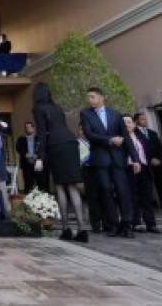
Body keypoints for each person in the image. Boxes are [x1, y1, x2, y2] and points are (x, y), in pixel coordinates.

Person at [32, 83, 86, 241]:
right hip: (70, 142)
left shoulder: (38, 109)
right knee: (73, 185)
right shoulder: (56, 107)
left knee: (61, 187)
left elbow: (42, 133)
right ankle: (82, 230)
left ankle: (66, 229)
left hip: (56, 146)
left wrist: (40, 157)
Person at [80, 86, 136, 238]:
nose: (89, 100)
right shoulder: (85, 114)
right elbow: (90, 134)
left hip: (118, 160)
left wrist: (135, 158)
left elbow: (126, 137)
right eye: (88, 97)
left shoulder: (116, 114)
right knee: (105, 191)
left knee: (123, 191)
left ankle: (127, 224)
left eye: (92, 97)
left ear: (101, 97)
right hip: (100, 159)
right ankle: (112, 224)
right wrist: (110, 139)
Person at [133, 112, 162, 220]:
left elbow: (160, 148)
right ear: (136, 121)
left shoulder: (152, 133)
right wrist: (150, 159)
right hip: (144, 166)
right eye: (142, 119)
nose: (145, 121)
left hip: (157, 166)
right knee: (144, 192)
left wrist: (159, 159)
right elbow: (139, 150)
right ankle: (146, 215)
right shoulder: (134, 134)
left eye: (145, 119)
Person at [124, 116, 159, 234]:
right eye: (124, 123)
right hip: (129, 168)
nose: (127, 125)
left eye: (129, 122)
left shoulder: (140, 136)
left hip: (144, 168)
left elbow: (148, 151)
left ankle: (151, 223)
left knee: (147, 197)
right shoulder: (121, 138)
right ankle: (136, 222)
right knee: (133, 197)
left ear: (134, 124)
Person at [78, 125, 103, 232]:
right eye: (81, 129)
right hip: (85, 171)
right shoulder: (76, 143)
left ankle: (107, 222)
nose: (83, 131)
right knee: (91, 199)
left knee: (104, 196)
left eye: (85, 129)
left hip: (99, 170)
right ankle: (96, 224)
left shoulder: (95, 141)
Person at [15, 122, 47, 193]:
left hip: (38, 162)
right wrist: (24, 154)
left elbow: (43, 148)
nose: (27, 129)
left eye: (29, 127)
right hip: (26, 163)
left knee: (40, 182)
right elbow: (18, 148)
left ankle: (42, 198)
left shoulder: (38, 138)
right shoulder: (21, 139)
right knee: (28, 182)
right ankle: (29, 199)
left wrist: (38, 155)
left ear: (33, 128)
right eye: (26, 127)